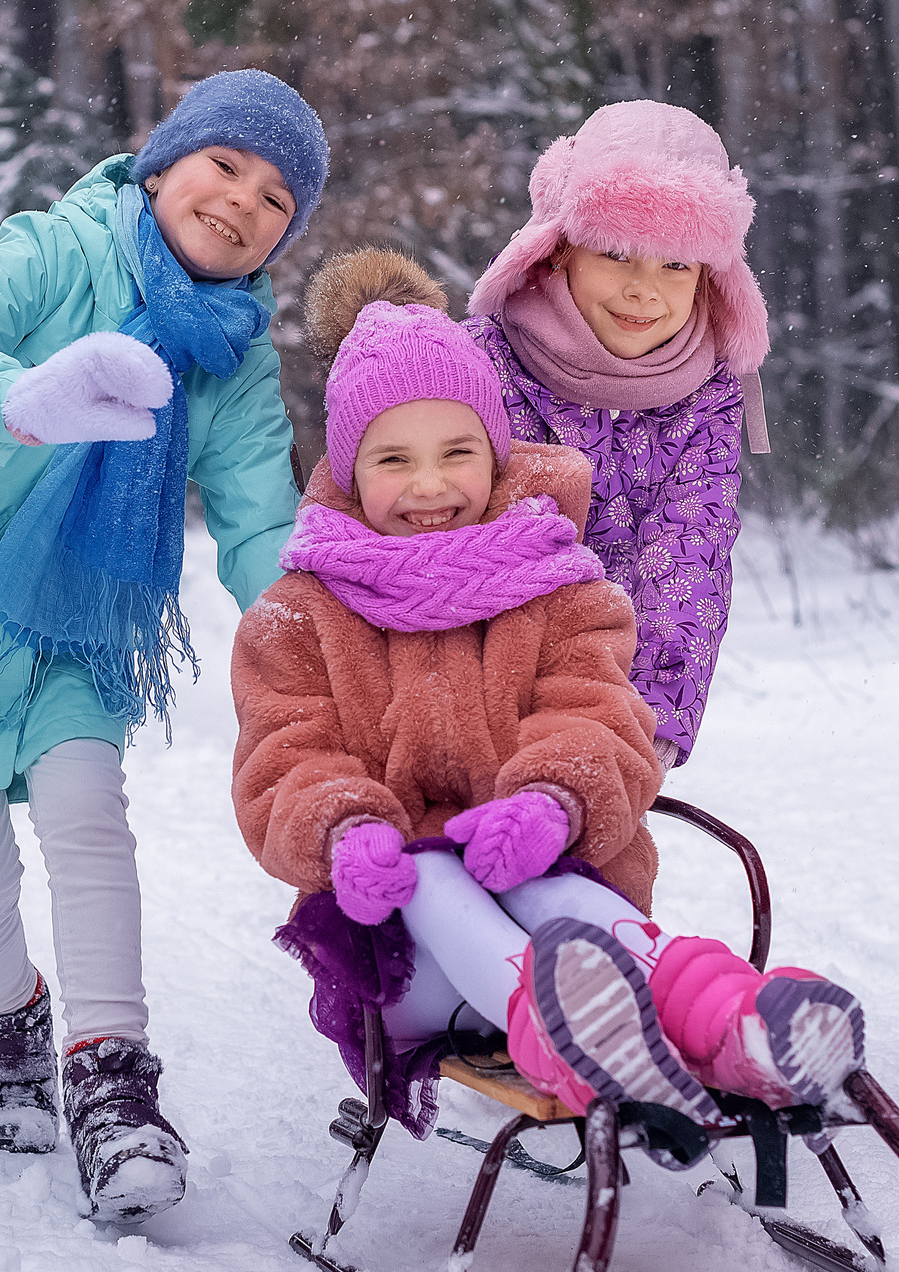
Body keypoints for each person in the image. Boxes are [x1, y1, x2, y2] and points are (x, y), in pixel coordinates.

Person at [0, 71, 328, 1222]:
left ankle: (111, 1083)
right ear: (163, 162)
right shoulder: (57, 248)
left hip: (83, 605)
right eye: (226, 165)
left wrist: (320, 634)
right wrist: (26, 397)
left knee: (86, 813)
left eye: (277, 198)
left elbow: (258, 521)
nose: (242, 201)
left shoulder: (234, 355)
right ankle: (7, 1024)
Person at [230, 258, 861, 1140]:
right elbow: (284, 754)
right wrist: (342, 828)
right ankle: (577, 1029)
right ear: (348, 468)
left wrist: (553, 801)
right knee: (434, 870)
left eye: (457, 453)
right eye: (393, 459)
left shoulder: (561, 584)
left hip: (559, 900)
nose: (429, 485)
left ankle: (734, 1021)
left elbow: (599, 713)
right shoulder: (300, 616)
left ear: (496, 455)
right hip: (403, 954)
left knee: (551, 888)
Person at [464, 100, 773, 771]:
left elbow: (690, 550)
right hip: (471, 683)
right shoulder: (484, 365)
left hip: (614, 701)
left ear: (710, 276)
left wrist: (648, 718)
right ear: (560, 249)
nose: (644, 290)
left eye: (675, 265)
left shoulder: (706, 395)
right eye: (616, 253)